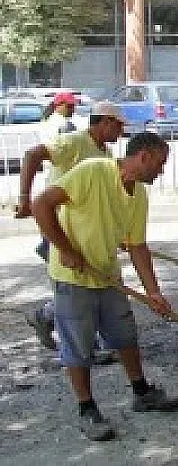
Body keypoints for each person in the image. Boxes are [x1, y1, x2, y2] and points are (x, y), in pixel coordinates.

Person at [31, 132, 178, 441]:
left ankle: (142, 393)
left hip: (108, 276)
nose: (162, 171)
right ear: (144, 157)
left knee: (125, 335)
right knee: (79, 347)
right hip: (72, 278)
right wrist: (65, 249)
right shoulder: (94, 171)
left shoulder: (138, 194)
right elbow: (41, 205)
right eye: (161, 163)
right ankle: (87, 409)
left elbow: (138, 246)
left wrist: (153, 293)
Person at [17, 101, 125, 360]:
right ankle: (56, 324)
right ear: (106, 122)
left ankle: (60, 325)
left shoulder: (105, 154)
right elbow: (33, 155)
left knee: (90, 283)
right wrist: (25, 198)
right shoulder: (74, 142)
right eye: (119, 126)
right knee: (76, 286)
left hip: (88, 228)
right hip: (59, 226)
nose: (120, 132)